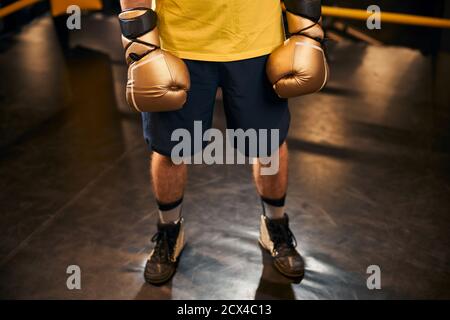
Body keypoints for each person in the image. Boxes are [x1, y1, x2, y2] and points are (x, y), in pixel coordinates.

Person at [118, 0, 328, 284]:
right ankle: (169, 233)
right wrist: (142, 45)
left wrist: (305, 27)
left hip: (258, 42)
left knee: (269, 145)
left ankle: (275, 226)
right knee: (171, 150)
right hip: (179, 43)